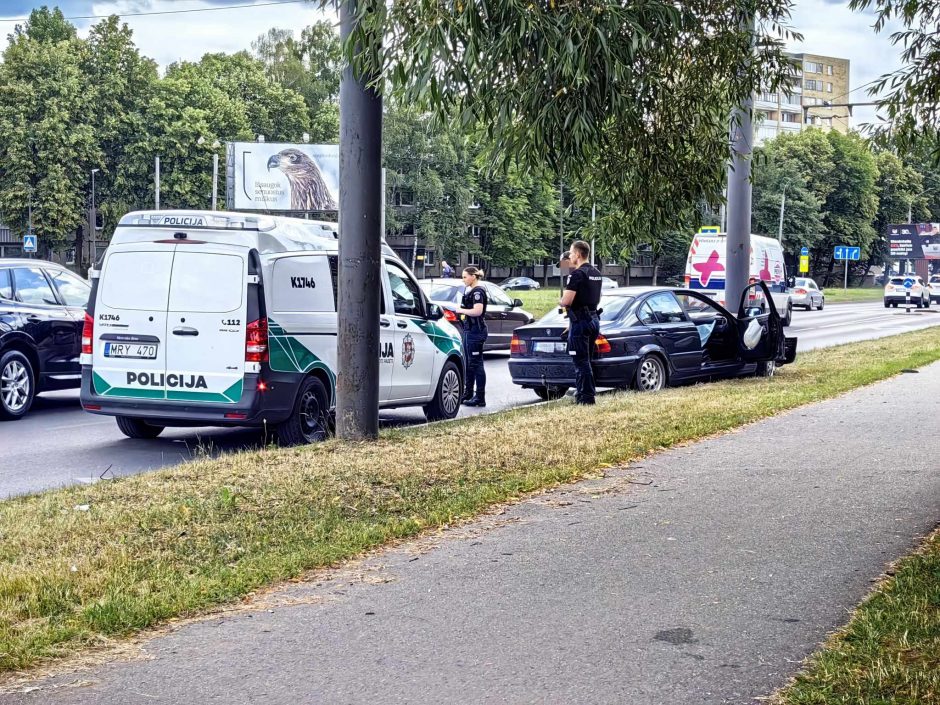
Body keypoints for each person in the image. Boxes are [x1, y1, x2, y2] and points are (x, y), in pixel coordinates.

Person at [559, 240, 603, 405]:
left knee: (580, 361)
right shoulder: (596, 272)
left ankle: (585, 398)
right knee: (587, 360)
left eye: (571, 253)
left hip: (581, 321)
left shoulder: (577, 274)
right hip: (593, 319)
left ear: (577, 254)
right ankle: (586, 394)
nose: (569, 256)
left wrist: (561, 301)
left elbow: (567, 301)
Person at [456, 266, 488, 406]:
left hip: (476, 331)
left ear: (473, 276)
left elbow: (477, 311)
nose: (463, 280)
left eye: (465, 277)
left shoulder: (478, 292)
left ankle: (480, 397)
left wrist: (461, 310)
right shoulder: (471, 291)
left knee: (476, 364)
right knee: (469, 363)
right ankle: (468, 393)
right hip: (470, 329)